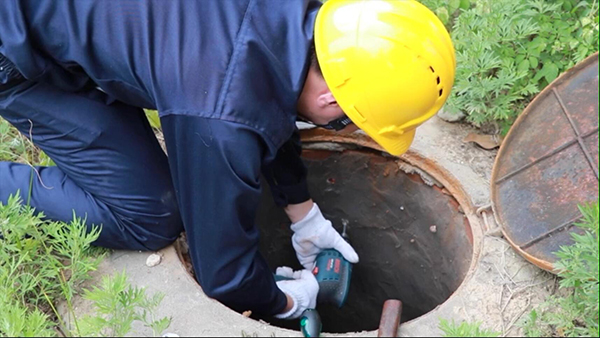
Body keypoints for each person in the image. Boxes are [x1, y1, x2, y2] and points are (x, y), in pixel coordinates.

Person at [0, 0, 454, 319]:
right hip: (13, 45)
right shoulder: (218, 116)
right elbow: (223, 272)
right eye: (352, 121)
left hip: (76, 16)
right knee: (152, 216)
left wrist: (303, 213)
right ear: (332, 96)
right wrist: (282, 302)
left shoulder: (309, 23)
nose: (349, 131)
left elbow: (272, 93)